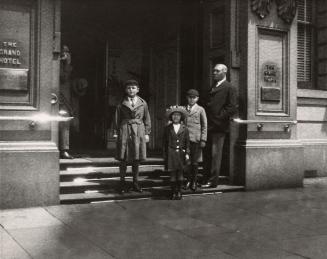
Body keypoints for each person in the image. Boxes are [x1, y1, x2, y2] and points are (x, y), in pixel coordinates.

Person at [202, 64, 237, 188]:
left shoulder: (229, 87)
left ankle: (213, 181)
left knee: (215, 155)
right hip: (207, 126)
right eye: (214, 71)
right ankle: (205, 179)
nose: (214, 73)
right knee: (206, 154)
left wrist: (218, 116)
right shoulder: (212, 86)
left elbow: (232, 107)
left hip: (218, 126)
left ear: (225, 72)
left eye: (217, 71)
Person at [113, 79, 151, 194]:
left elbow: (147, 118)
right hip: (125, 129)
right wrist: (115, 132)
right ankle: (122, 182)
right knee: (123, 158)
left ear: (138, 90)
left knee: (136, 158)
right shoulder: (121, 103)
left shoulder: (143, 103)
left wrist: (147, 133)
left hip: (138, 131)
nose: (131, 90)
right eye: (129, 88)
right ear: (126, 90)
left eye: (133, 88)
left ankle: (135, 182)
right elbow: (116, 118)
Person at [163, 106, 190, 200]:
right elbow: (165, 142)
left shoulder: (185, 128)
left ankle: (179, 191)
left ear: (181, 117)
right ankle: (173, 192)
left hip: (181, 153)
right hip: (171, 152)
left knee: (180, 174)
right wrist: (165, 155)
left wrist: (187, 153)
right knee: (173, 174)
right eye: (174, 115)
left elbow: (187, 142)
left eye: (178, 115)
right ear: (171, 117)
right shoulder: (167, 128)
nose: (176, 117)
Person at [184, 89, 207, 192]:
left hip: (196, 139)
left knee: (195, 162)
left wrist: (203, 139)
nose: (191, 99)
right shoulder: (183, 109)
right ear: (187, 98)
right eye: (190, 97)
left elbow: (204, 125)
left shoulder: (200, 110)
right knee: (187, 161)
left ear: (197, 98)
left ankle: (194, 181)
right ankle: (187, 180)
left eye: (194, 98)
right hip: (185, 140)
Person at [59, 45, 74, 159]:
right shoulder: (56, 63)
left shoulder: (68, 66)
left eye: (66, 52)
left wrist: (67, 64)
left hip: (65, 99)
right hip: (55, 97)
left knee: (65, 123)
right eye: (62, 52)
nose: (64, 54)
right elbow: (62, 77)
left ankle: (64, 149)